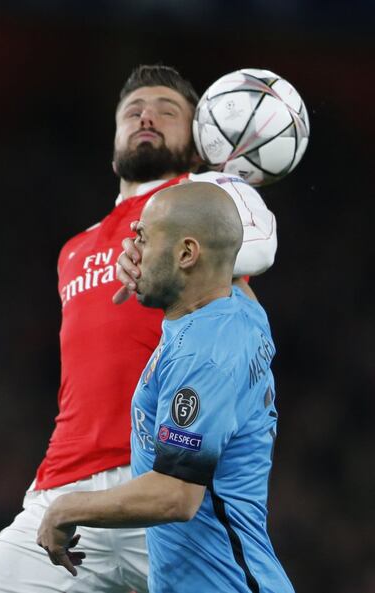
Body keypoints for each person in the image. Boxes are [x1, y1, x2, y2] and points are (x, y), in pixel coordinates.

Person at [0, 65, 277, 593]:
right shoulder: (74, 250)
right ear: (113, 147)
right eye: (132, 112)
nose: (146, 115)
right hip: (65, 483)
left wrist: (175, 245)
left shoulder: (199, 202)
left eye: (166, 110)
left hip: (164, 479)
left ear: (197, 145)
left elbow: (260, 245)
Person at [37, 181, 295, 593]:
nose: (131, 252)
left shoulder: (204, 354)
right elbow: (225, 252)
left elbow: (176, 496)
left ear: (187, 254)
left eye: (141, 238)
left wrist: (65, 509)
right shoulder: (236, 309)